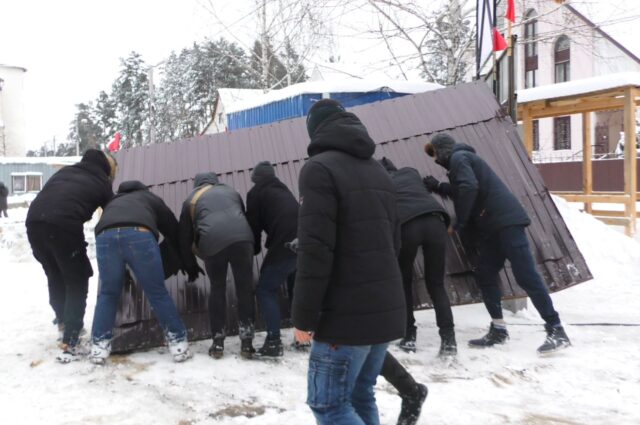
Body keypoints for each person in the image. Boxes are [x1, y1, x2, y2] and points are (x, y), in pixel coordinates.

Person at [292, 99, 406, 425]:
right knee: (359, 395)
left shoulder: (319, 169)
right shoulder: (379, 171)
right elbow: (392, 243)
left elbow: (316, 249)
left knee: (329, 407)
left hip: (343, 319)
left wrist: (303, 316)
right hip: (382, 310)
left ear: (315, 131)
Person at [423, 133, 571, 354]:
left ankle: (556, 329)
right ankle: (499, 329)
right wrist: (438, 186)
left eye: (435, 154)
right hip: (493, 226)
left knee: (525, 275)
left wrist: (460, 222)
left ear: (443, 150)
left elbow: (469, 188)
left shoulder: (459, 157)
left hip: (507, 223)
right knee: (485, 272)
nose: (436, 160)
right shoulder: (462, 161)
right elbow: (464, 188)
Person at [90, 180, 195, 365]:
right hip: (138, 234)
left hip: (105, 237)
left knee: (108, 294)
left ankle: (98, 348)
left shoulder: (113, 202)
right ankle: (179, 345)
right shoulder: (149, 198)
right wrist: (182, 257)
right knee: (157, 293)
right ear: (143, 189)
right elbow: (173, 228)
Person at [26, 149, 115, 363]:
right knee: (77, 279)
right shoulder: (102, 182)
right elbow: (113, 211)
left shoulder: (64, 172)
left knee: (55, 274)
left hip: (34, 224)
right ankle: (71, 336)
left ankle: (64, 323)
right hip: (63, 225)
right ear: (105, 167)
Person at [379, 157, 457, 357]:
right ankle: (449, 341)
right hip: (435, 221)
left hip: (407, 227)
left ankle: (409, 336)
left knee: (404, 282)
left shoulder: (380, 183)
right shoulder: (410, 171)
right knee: (436, 285)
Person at [179, 172, 256, 359]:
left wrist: (190, 265)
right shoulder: (231, 192)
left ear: (196, 184)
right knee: (245, 289)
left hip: (212, 243)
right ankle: (247, 342)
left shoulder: (191, 199)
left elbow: (184, 236)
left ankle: (218, 343)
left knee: (218, 288)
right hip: (243, 240)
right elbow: (242, 216)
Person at [245, 161, 299, 358]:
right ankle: (304, 337)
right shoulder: (283, 190)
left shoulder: (256, 193)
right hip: (305, 242)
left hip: (285, 244)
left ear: (256, 178)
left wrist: (255, 250)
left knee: (265, 290)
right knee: (296, 289)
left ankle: (274, 342)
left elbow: (254, 226)